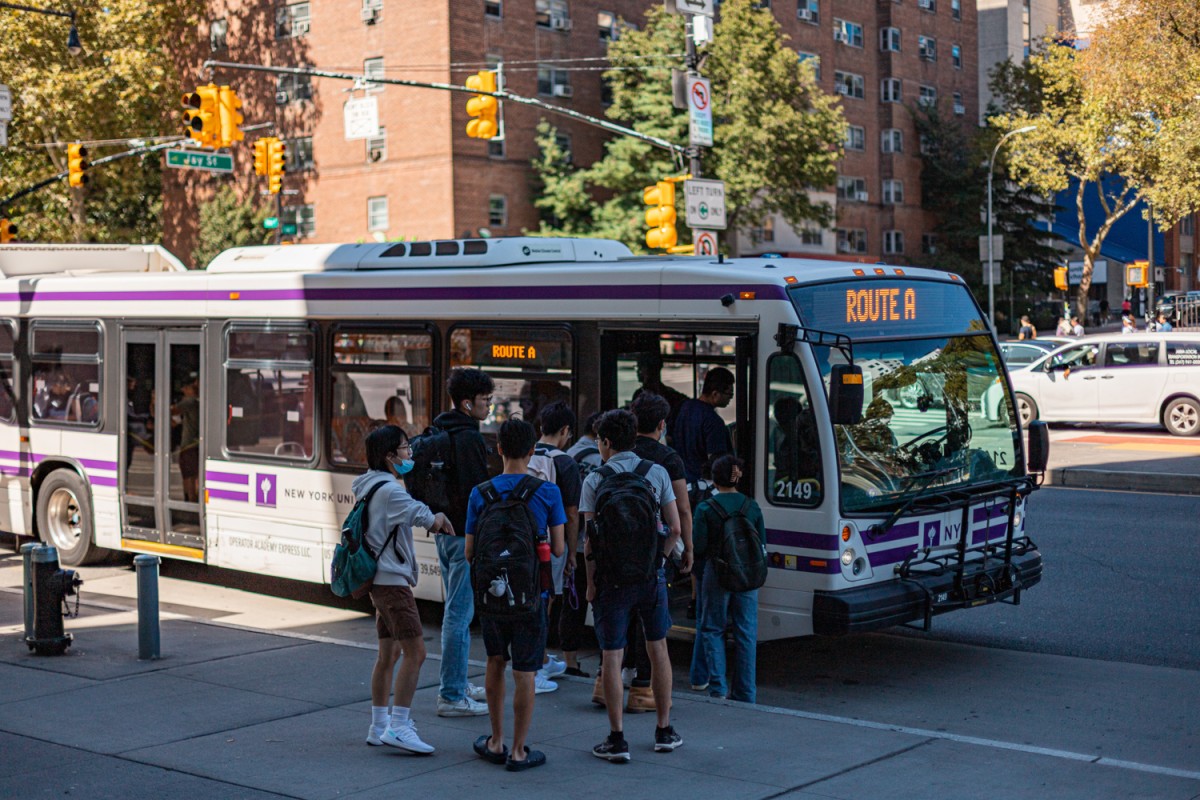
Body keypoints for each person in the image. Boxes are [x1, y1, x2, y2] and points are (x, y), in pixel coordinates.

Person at [583, 409, 684, 762]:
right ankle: (664, 730)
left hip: (612, 581)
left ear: (607, 443)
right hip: (649, 577)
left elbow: (590, 543)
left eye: (599, 440)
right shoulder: (655, 472)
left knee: (612, 655)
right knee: (658, 650)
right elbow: (675, 530)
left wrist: (591, 585)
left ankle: (616, 738)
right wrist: (659, 560)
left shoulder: (595, 479)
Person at [465, 418, 565, 772]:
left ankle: (495, 741)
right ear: (533, 451)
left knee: (495, 662)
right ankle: (520, 750)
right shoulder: (548, 492)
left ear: (499, 449)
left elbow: (469, 552)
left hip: (492, 598)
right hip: (531, 596)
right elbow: (558, 548)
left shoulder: (481, 493)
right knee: (525, 671)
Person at [355, 425, 454, 755]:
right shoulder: (390, 490)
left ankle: (378, 724)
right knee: (416, 652)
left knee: (389, 654)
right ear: (389, 456)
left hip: (380, 584)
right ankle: (399, 725)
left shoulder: (369, 486)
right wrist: (440, 515)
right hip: (393, 585)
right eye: (405, 448)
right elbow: (424, 516)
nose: (409, 454)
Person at [432, 367, 496, 717]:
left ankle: (456, 682)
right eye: (486, 400)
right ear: (468, 403)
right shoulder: (469, 438)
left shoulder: (442, 428)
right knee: (459, 615)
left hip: (445, 532)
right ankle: (452, 695)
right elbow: (476, 494)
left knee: (455, 612)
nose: (490, 406)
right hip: (463, 537)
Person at [628, 392, 695, 706]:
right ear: (662, 424)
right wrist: (686, 549)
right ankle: (643, 684)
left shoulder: (621, 451)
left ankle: (612, 677)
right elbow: (682, 511)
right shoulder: (668, 459)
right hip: (656, 547)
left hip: (620, 545)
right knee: (650, 616)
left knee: (621, 611)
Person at [693, 455, 764, 704]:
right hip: (748, 574)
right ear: (738, 476)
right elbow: (761, 543)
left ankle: (718, 688)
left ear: (714, 478)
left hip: (717, 572)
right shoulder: (751, 505)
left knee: (713, 628)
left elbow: (699, 546)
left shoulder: (706, 508)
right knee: (746, 631)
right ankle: (746, 693)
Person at [531, 400, 581, 688]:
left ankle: (540, 660)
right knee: (545, 602)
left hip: (519, 539)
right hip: (550, 544)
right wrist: (571, 552)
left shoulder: (523, 452)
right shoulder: (565, 462)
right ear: (565, 430)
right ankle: (535, 667)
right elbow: (571, 514)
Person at [561, 410, 603, 675]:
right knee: (601, 603)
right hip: (594, 542)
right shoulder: (601, 459)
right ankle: (607, 663)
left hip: (568, 541)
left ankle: (569, 661)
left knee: (572, 604)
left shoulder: (569, 456)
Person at [670, 367, 735, 490]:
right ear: (715, 394)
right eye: (729, 394)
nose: (730, 399)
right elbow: (716, 461)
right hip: (701, 487)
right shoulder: (714, 421)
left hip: (680, 484)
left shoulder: (683, 407)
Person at [172, 373, 200, 502]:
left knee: (189, 476)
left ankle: (190, 501)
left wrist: (155, 401)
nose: (183, 391)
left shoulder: (189, 401)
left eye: (184, 387)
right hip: (196, 444)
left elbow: (170, 411)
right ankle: (191, 500)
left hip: (189, 445)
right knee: (194, 475)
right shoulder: (199, 402)